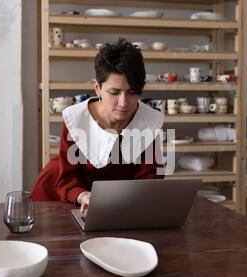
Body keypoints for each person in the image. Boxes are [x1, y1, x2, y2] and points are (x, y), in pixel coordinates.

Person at [32, 39, 165, 213]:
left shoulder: (149, 121)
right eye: (114, 92)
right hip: (59, 196)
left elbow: (149, 179)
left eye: (132, 93)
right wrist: (83, 195)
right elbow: (68, 179)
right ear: (97, 88)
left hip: (115, 204)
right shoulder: (77, 118)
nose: (123, 103)